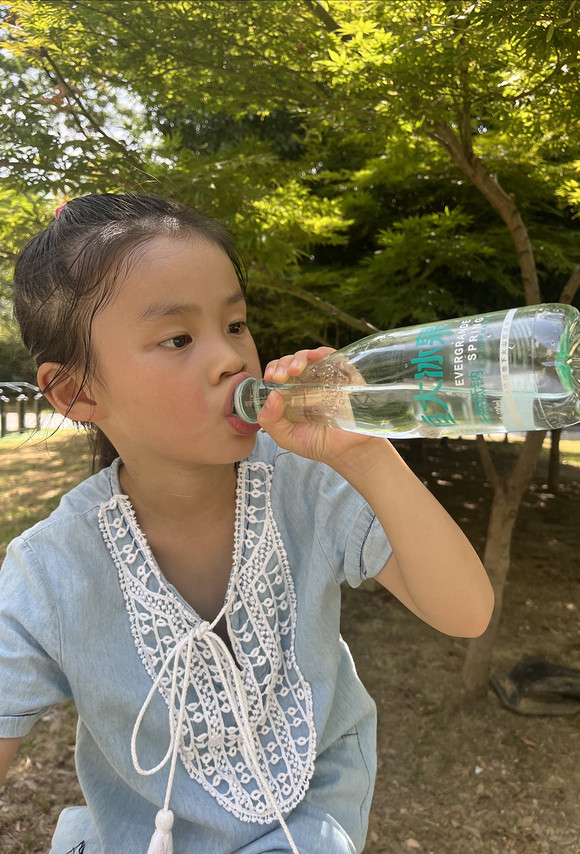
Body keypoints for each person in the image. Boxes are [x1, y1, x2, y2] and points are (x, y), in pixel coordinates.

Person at [0, 193, 493, 854]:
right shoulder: (51, 571)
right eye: (178, 338)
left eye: (235, 325)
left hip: (312, 830)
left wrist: (368, 454)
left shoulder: (306, 485)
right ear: (77, 392)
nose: (232, 358)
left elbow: (466, 612)